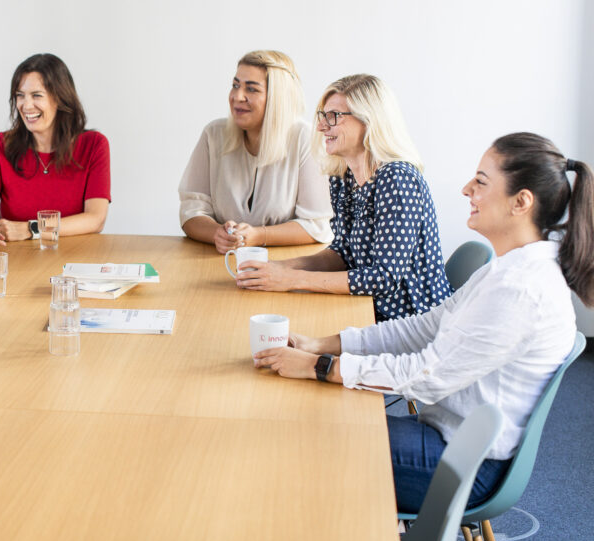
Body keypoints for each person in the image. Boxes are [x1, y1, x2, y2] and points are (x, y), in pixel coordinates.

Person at [253, 133, 592, 512]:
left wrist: (320, 367)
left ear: (521, 203)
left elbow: (427, 376)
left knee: (293, 439)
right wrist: (323, 344)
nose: (467, 190)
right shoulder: (507, 271)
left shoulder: (521, 289)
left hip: (461, 461)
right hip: (446, 435)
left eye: (480, 182)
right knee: (307, 420)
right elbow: (424, 328)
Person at [236, 74, 451, 321]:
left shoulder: (397, 180)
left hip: (411, 321)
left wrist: (292, 279)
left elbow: (384, 278)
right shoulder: (343, 176)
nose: (320, 127)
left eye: (334, 117)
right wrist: (281, 268)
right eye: (322, 116)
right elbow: (344, 253)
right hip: (365, 309)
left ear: (369, 121)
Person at [178, 50, 333, 252]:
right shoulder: (213, 135)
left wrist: (259, 236)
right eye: (235, 86)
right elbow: (191, 210)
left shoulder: (304, 138)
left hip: (285, 266)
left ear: (278, 98)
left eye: (251, 89)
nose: (237, 96)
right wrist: (217, 233)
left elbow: (317, 226)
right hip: (219, 261)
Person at [0, 53, 110, 250]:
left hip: (75, 259)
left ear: (59, 98)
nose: (26, 106)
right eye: (20, 95)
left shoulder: (94, 145)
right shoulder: (0, 145)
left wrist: (30, 229)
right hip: (15, 260)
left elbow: (96, 219)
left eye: (36, 95)